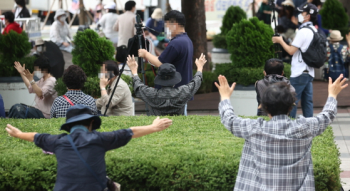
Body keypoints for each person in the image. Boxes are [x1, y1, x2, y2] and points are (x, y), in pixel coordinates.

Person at [215, 73, 347, 191]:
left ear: (264, 107)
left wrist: (225, 97)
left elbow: (229, 120)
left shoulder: (254, 129)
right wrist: (332, 95)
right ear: (291, 106)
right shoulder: (304, 127)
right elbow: (327, 116)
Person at [5, 104, 172, 191]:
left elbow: (36, 136)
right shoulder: (99, 139)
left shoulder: (58, 141)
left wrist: (18, 134)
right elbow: (129, 132)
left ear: (69, 126)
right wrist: (153, 126)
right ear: (92, 122)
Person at [272, 3, 319, 118]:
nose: (300, 15)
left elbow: (291, 51)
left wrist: (280, 40)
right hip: (308, 71)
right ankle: (309, 126)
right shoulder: (313, 29)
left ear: (308, 16)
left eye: (302, 13)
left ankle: (290, 127)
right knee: (307, 102)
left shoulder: (303, 31)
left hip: (299, 72)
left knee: (291, 101)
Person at [127, 54, 206, 116]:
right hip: (178, 127)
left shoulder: (152, 94)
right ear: (175, 79)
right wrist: (200, 67)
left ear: (159, 78)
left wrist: (134, 71)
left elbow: (138, 87)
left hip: (157, 129)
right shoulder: (183, 92)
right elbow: (196, 82)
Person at [138, 10, 194, 89]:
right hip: (182, 91)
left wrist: (145, 54)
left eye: (167, 25)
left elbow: (160, 63)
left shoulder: (176, 43)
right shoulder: (187, 40)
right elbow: (166, 60)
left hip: (172, 93)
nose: (167, 28)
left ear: (174, 24)